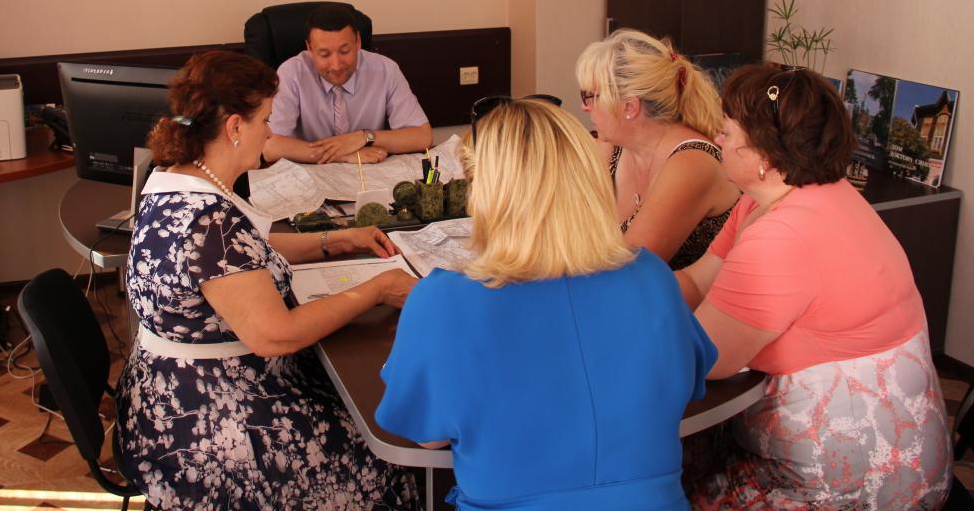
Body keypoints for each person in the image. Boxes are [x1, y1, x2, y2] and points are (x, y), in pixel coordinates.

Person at [376, 98, 717, 510]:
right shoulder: (653, 278)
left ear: (485, 195)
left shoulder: (442, 301)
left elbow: (428, 436)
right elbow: (689, 383)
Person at [116, 50, 420, 510]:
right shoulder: (208, 223)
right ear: (235, 127)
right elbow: (277, 335)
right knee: (386, 457)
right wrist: (377, 289)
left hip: (166, 393)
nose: (271, 133)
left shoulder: (175, 181)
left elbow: (244, 254)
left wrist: (334, 240)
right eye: (265, 120)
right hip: (205, 425)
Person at [677, 64, 953, 509]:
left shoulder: (781, 237)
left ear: (766, 156)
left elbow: (703, 356)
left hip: (856, 482)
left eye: (726, 132)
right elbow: (695, 278)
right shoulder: (780, 198)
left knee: (669, 487)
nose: (717, 140)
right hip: (897, 450)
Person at [574, 29, 739, 269]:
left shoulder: (691, 163)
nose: (584, 107)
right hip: (621, 289)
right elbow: (568, 225)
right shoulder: (612, 147)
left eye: (590, 96)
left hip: (676, 294)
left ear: (629, 107)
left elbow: (632, 268)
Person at [264, 2, 431, 164]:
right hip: (311, 173)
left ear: (357, 41)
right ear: (310, 48)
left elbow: (422, 136)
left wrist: (364, 137)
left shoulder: (385, 70)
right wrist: (344, 155)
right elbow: (270, 147)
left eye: (344, 51)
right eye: (324, 54)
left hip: (369, 173)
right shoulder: (291, 74)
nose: (336, 65)